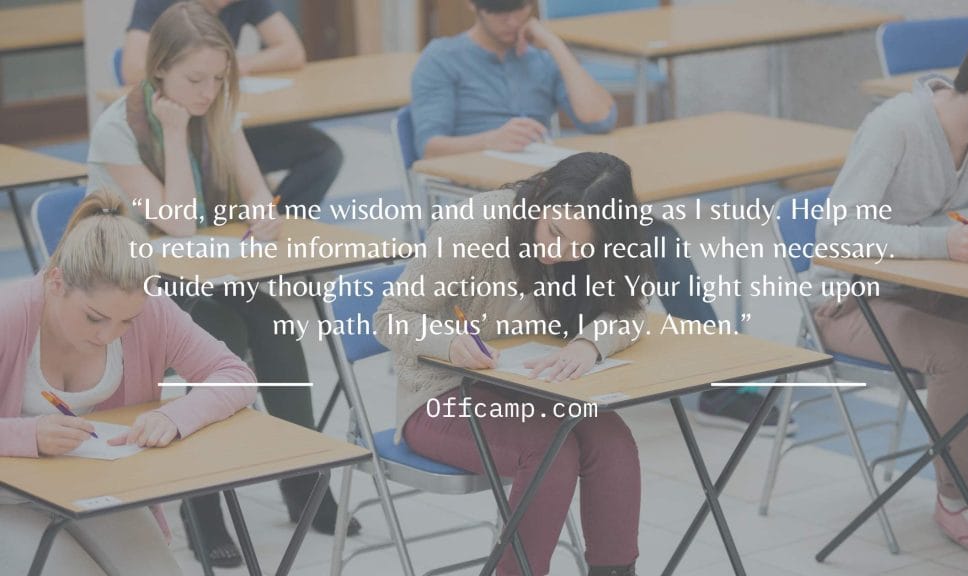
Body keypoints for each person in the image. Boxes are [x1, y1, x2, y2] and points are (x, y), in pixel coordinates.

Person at [411, 0, 791, 436]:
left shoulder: (536, 56)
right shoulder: (442, 59)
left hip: (559, 201)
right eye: (501, 13)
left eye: (520, 10)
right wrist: (489, 138)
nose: (512, 21)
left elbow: (600, 117)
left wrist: (553, 44)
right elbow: (428, 147)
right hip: (493, 207)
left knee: (656, 239)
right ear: (473, 6)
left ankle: (721, 384)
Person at [87, 3, 350, 568]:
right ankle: (201, 505)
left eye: (218, 78)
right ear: (159, 72)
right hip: (131, 282)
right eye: (195, 80)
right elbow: (178, 220)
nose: (208, 93)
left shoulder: (218, 111)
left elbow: (256, 190)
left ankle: (303, 480)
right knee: (221, 332)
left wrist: (265, 213)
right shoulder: (117, 126)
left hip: (202, 270)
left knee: (277, 326)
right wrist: (179, 134)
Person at [807, 26, 968, 559]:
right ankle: (955, 495)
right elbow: (836, 232)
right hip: (853, 301)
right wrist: (938, 241)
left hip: (932, 292)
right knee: (960, 353)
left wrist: (953, 224)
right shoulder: (895, 127)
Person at [377, 152, 645, 576]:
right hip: (441, 392)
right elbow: (390, 315)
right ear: (540, 197)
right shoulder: (474, 228)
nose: (556, 253)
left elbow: (631, 307)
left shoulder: (603, 238)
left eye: (578, 248)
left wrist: (589, 345)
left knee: (612, 441)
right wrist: (448, 342)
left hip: (530, 384)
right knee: (550, 453)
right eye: (554, 232)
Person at [0, 189, 257, 575]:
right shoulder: (10, 315)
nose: (109, 335)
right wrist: (28, 435)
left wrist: (176, 416)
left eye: (126, 322)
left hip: (93, 491)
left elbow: (236, 375)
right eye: (94, 318)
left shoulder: (150, 310)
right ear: (56, 282)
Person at [122, 0, 342, 212]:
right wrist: (190, 74)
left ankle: (276, 223)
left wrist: (233, 68)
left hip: (220, 120)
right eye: (196, 78)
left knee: (324, 154)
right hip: (176, 126)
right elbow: (131, 69)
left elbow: (293, 51)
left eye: (218, 76)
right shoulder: (156, 5)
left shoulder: (224, 113)